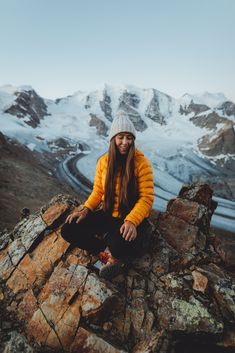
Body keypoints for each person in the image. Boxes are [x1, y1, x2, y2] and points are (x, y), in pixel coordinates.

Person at [61, 110, 154, 279]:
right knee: (68, 229)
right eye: (121, 137)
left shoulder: (141, 163)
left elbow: (146, 198)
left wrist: (132, 221)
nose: (125, 142)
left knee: (117, 243)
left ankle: (114, 255)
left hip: (129, 218)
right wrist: (85, 210)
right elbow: (98, 191)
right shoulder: (103, 162)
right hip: (107, 214)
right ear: (113, 139)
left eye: (129, 137)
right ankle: (108, 256)